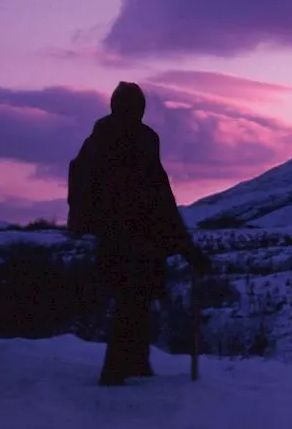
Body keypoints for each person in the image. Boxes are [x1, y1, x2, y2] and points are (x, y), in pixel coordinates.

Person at [67, 81, 211, 386]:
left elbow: (83, 179)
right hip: (135, 235)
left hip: (119, 235)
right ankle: (118, 369)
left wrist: (82, 222)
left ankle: (134, 364)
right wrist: (184, 245)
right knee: (133, 300)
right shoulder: (138, 139)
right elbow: (158, 193)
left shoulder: (99, 139)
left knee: (134, 298)